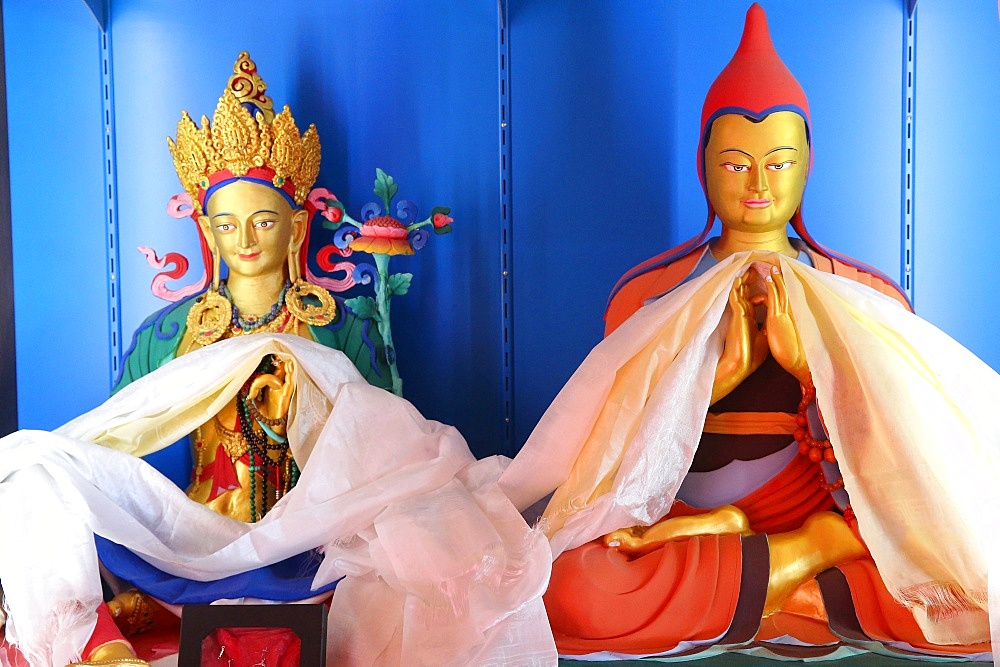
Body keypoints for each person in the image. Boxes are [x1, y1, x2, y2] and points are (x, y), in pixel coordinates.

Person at [0, 54, 556, 667]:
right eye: (228, 224)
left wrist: (303, 408)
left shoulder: (337, 329)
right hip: (196, 541)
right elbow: (118, 451)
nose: (245, 239)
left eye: (263, 221)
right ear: (208, 233)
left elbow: (386, 452)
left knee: (407, 551)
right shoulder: (168, 335)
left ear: (295, 230)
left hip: (314, 547)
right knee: (41, 483)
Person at [500, 4, 999, 662]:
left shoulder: (866, 295)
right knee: (565, 589)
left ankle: (757, 584)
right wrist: (711, 378)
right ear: (704, 163)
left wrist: (811, 368)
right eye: (737, 163)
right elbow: (608, 464)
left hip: (829, 518)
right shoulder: (647, 294)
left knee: (964, 590)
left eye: (779, 162)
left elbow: (901, 473)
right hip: (685, 523)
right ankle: (796, 573)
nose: (760, 184)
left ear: (807, 163)